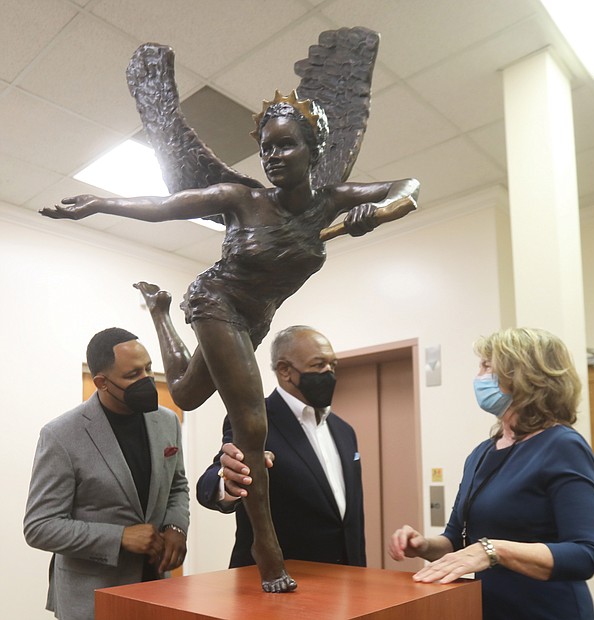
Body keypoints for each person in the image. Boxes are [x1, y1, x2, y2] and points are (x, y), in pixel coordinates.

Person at [40, 91, 417, 592]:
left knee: (189, 395)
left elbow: (407, 185)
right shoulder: (244, 199)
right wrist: (101, 203)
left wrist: (383, 208)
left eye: (285, 146)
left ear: (313, 151)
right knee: (251, 422)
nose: (273, 157)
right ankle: (268, 549)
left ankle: (159, 314)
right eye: (266, 148)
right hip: (217, 300)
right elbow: (165, 206)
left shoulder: (332, 202)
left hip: (255, 317)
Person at [389, 327, 594, 620]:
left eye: (487, 366)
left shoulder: (562, 445)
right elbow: (456, 538)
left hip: (548, 610)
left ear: (524, 376)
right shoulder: (482, 453)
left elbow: (584, 555)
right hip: (487, 608)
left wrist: (492, 550)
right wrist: (424, 545)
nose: (479, 375)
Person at [24, 328, 189, 620]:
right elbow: (40, 526)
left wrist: (176, 527)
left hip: (156, 591)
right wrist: (120, 537)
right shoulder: (61, 435)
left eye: (149, 369)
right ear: (101, 382)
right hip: (90, 601)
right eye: (133, 375)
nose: (147, 380)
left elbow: (177, 485)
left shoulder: (168, 421)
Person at [196, 325, 366, 568]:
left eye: (333, 365)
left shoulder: (344, 430)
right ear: (285, 370)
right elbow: (213, 478)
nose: (329, 372)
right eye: (318, 365)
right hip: (280, 581)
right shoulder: (254, 420)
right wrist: (228, 480)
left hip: (347, 579)